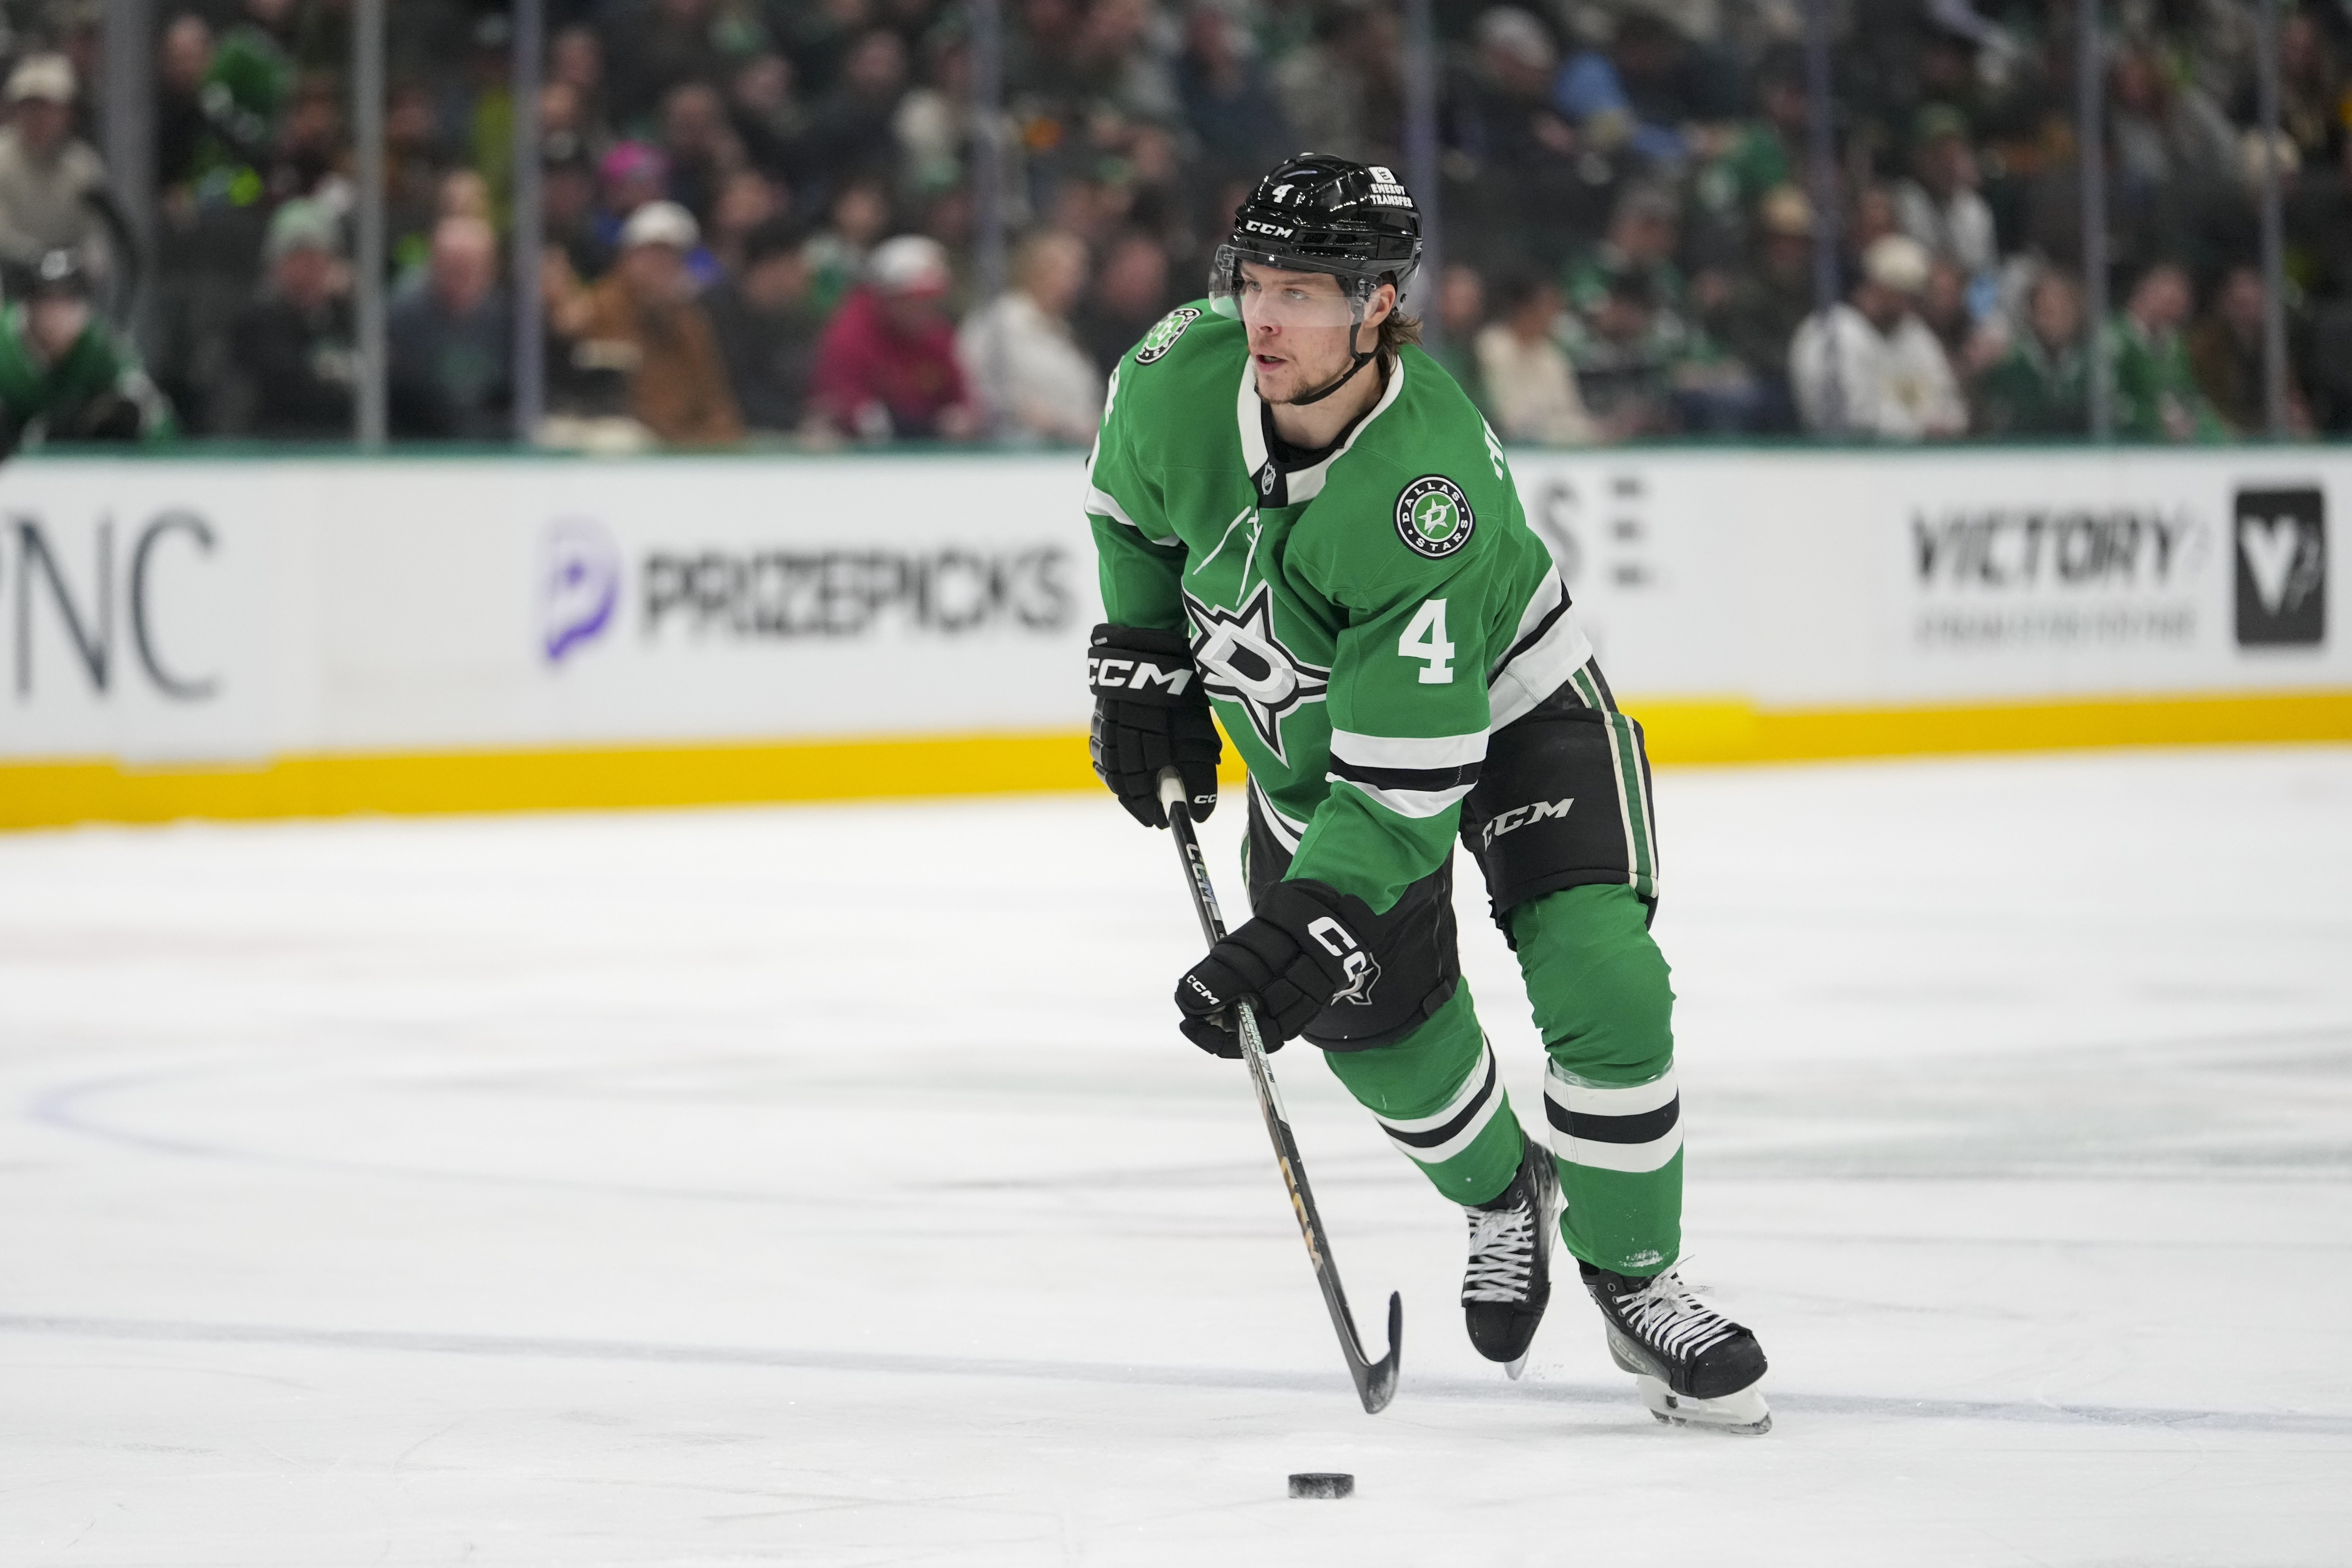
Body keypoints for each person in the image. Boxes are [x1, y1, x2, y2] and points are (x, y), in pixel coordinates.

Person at [1082, 153, 1771, 1433]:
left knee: (1600, 977)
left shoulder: (1425, 493)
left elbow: (1405, 785)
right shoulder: (1172, 372)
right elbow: (1128, 516)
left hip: (1508, 714)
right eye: (1254, 283)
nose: (1267, 319)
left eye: (1306, 290)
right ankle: (1502, 1191)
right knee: (1374, 1035)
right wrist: (1139, 650)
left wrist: (1305, 919)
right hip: (1302, 753)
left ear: (1378, 305)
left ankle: (1634, 1277)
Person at [567, 200, 743, 446]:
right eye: (653, 255)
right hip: (622, 443)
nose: (661, 266)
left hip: (681, 447)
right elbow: (603, 398)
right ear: (628, 256)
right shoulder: (600, 308)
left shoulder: (689, 322)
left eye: (672, 257)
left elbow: (714, 399)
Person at [1789, 234, 1967, 440]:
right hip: (1845, 461)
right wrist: (1919, 427)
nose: (1905, 304)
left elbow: (1949, 401)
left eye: (1912, 295)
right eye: (1898, 292)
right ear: (1873, 286)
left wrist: (1947, 422)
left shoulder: (1914, 334)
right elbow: (1850, 418)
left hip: (1916, 460)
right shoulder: (1831, 332)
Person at [0, 248, 174, 451]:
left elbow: (153, 413)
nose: (57, 316)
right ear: (27, 305)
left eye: (68, 302)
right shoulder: (5, 341)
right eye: (45, 301)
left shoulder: (100, 349)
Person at [811, 233, 978, 440]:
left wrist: (960, 417)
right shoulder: (850, 334)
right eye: (913, 300)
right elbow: (845, 404)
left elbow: (962, 398)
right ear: (887, 296)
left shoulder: (936, 334)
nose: (924, 310)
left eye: (931, 300)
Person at [957, 229, 1104, 444]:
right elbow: (972, 380)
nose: (1078, 282)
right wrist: (1023, 411)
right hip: (1014, 453)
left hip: (1072, 452)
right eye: (1068, 271)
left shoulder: (1063, 331)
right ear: (1037, 270)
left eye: (1080, 273)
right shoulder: (1000, 322)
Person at [229, 198, 355, 439]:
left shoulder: (346, 317)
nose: (308, 269)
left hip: (343, 453)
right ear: (276, 265)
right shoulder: (257, 323)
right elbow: (286, 389)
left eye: (317, 257)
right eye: (297, 257)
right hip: (274, 452)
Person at [387, 215, 512, 439]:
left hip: (492, 447)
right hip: (418, 442)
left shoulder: (510, 320)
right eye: (452, 269)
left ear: (490, 270)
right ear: (434, 266)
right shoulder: (402, 317)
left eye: (470, 270)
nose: (461, 280)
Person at [702, 213, 827, 437]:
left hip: (780, 433)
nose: (808, 274)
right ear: (773, 265)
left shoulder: (795, 320)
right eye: (799, 263)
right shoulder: (710, 315)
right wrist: (797, 422)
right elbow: (730, 390)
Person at [0, 54, 110, 282]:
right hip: (9, 281)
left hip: (66, 289)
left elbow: (94, 234)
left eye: (47, 107)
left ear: (67, 113)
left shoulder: (83, 167)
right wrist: (45, 262)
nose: (38, 117)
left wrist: (88, 264)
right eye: (29, 106)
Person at [1475, 270, 1594, 444]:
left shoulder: (1553, 356)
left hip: (1561, 451)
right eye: (1547, 307)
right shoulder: (1492, 346)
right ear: (1523, 309)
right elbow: (1510, 419)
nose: (1554, 315)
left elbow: (1572, 413)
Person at [2109, 260, 2223, 443]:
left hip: (2176, 447)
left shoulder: (2178, 343)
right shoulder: (2113, 339)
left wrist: (2202, 424)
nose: (2176, 306)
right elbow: (2109, 403)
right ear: (2143, 291)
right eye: (2169, 297)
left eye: (2180, 299)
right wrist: (2155, 421)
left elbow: (2192, 396)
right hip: (2127, 448)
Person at [1973, 268, 2090, 437]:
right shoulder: (2008, 364)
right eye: (2046, 310)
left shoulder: (2095, 366)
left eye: (2062, 310)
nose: (2054, 319)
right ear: (2031, 314)